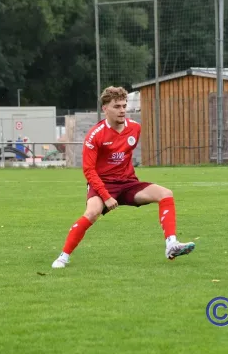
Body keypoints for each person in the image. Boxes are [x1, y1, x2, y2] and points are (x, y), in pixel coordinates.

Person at [51, 86, 195, 268]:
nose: (122, 110)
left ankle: (171, 244)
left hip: (127, 183)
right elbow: (88, 170)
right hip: (102, 184)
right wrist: (106, 196)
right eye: (117, 106)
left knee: (165, 194)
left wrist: (125, 182)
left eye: (124, 106)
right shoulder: (95, 135)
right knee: (92, 212)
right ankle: (63, 257)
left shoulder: (134, 128)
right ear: (105, 108)